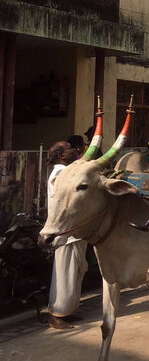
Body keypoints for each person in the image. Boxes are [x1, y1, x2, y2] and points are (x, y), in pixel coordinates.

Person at [46, 141, 88, 330]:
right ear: (62, 155)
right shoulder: (60, 175)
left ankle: (68, 310)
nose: (75, 150)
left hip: (74, 230)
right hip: (65, 231)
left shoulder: (65, 172)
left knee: (75, 272)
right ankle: (57, 315)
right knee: (64, 273)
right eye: (70, 148)